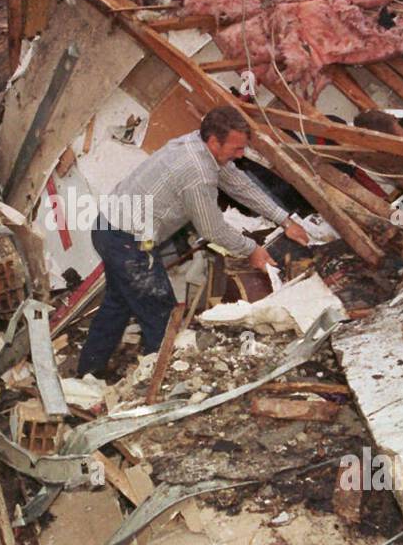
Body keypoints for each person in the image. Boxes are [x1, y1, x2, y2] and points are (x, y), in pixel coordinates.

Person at [75, 106, 310, 378]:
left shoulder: (197, 143)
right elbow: (212, 229)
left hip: (111, 227)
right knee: (163, 319)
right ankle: (156, 388)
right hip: (127, 240)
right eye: (236, 148)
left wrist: (285, 220)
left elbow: (239, 185)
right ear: (214, 141)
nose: (241, 154)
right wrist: (252, 250)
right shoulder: (197, 171)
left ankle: (88, 372)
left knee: (119, 303)